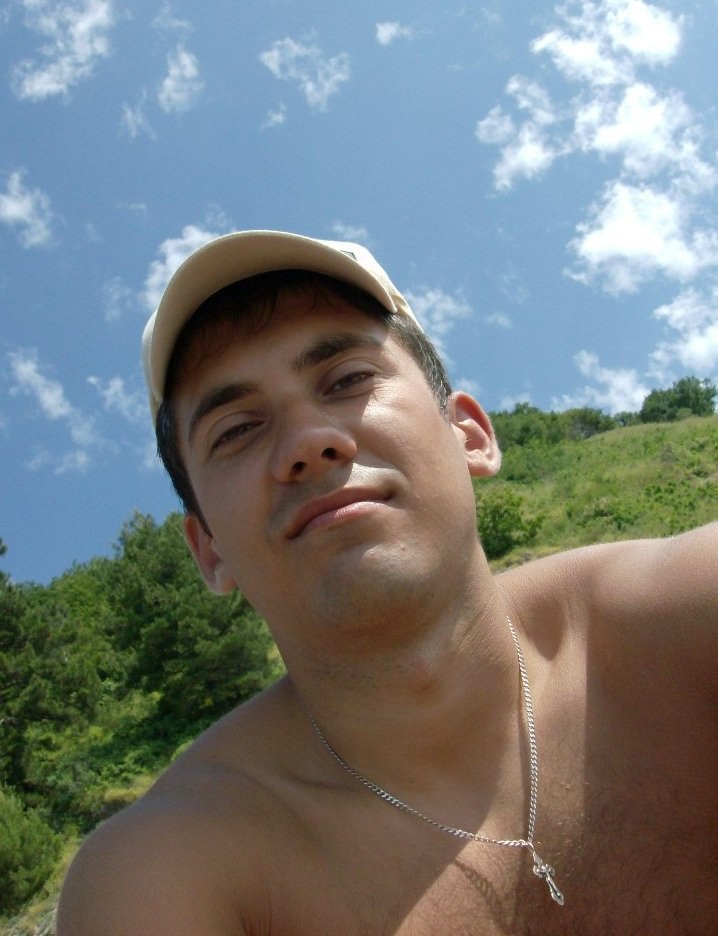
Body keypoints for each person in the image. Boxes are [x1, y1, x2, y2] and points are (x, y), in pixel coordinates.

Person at [57, 230, 717, 935]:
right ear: (209, 550)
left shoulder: (686, 620)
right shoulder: (167, 869)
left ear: (470, 434)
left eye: (347, 379)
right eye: (237, 429)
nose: (307, 442)